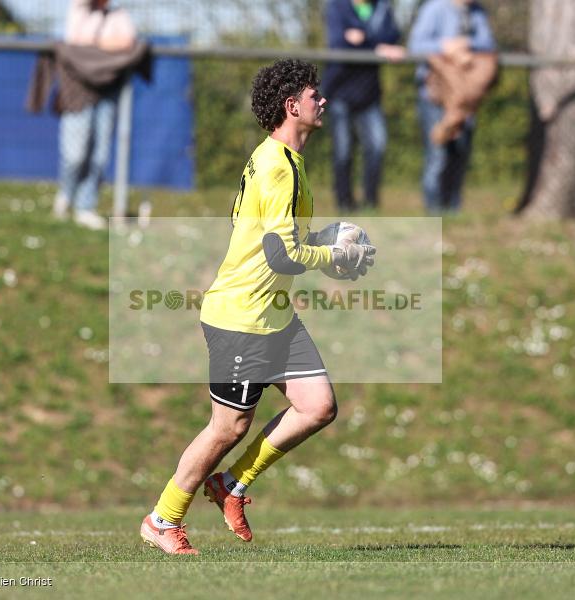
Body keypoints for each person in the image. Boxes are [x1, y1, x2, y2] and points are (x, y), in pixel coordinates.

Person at [139, 59, 376, 555]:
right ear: (293, 106)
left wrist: (321, 245)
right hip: (243, 318)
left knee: (317, 406)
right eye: (315, 95)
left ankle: (232, 485)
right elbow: (279, 254)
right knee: (228, 426)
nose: (323, 100)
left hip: (273, 313)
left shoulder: (283, 159)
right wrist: (333, 255)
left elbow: (274, 238)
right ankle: (163, 518)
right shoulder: (278, 167)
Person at [52, 0, 137, 230]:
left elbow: (127, 42)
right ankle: (66, 195)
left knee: (100, 155)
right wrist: (105, 47)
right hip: (78, 92)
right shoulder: (78, 10)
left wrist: (95, 45)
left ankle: (85, 206)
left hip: (107, 91)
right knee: (75, 153)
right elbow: (75, 42)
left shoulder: (118, 15)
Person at [409, 0, 495, 213]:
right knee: (436, 154)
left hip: (465, 96)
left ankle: (452, 209)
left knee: (460, 153)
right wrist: (444, 47)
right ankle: (434, 211)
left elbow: (488, 43)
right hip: (435, 96)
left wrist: (466, 44)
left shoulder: (477, 12)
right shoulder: (435, 9)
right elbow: (415, 45)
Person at [322, 0, 404, 212]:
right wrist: (377, 46)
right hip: (340, 91)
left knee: (377, 145)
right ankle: (345, 203)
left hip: (370, 94)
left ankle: (370, 202)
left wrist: (364, 40)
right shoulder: (337, 6)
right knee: (343, 151)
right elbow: (339, 42)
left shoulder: (382, 7)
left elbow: (393, 36)